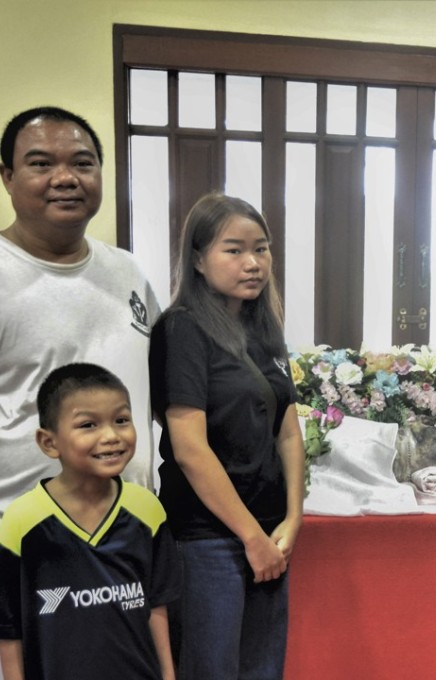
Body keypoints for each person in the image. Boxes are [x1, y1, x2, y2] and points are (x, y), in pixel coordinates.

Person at [148, 193, 305, 679]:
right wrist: (250, 536)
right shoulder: (183, 330)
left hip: (269, 531)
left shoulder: (264, 329)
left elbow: (289, 431)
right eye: (233, 250)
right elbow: (189, 448)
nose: (252, 263)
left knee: (262, 670)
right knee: (211, 670)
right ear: (197, 259)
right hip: (209, 538)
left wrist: (293, 519)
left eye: (261, 248)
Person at [0, 106, 159, 512]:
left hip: (129, 524)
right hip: (20, 530)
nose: (66, 178)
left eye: (82, 163)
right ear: (8, 178)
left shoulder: (128, 270)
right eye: (41, 164)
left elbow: (161, 381)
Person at [0, 363, 179, 680]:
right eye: (88, 425)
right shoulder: (20, 524)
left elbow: (157, 609)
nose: (111, 435)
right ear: (49, 442)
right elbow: (9, 631)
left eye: (121, 420)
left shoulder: (148, 511)